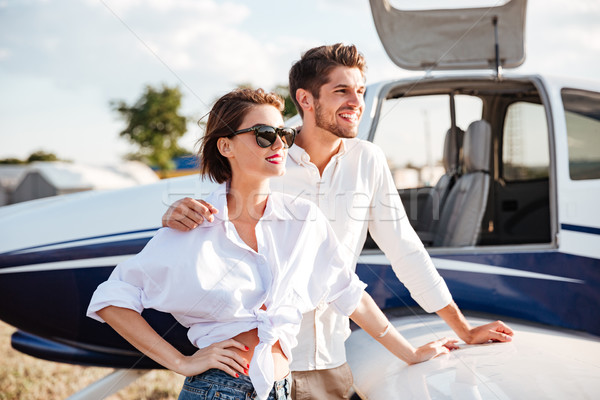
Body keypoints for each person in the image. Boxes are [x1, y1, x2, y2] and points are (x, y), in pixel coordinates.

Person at [162, 44, 514, 400]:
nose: (356, 101)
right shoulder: (266, 155)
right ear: (306, 99)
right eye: (342, 90)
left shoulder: (369, 160)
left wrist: (463, 331)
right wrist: (177, 212)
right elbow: (214, 217)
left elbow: (404, 250)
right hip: (253, 365)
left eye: (360, 91)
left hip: (329, 360)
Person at [87, 88, 458, 400]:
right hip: (220, 390)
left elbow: (349, 294)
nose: (280, 142)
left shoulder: (304, 219)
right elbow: (113, 299)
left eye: (285, 133)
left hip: (281, 388)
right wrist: (182, 362)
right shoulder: (194, 224)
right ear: (226, 146)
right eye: (264, 134)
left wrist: (410, 354)